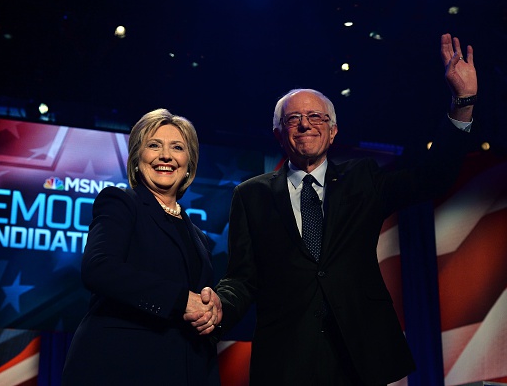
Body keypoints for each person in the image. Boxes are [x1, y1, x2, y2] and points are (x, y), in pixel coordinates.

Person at [190, 33, 477, 385]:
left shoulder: (363, 179)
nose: (305, 124)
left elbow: (434, 178)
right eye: (293, 119)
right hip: (286, 359)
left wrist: (463, 101)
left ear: (333, 131)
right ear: (279, 133)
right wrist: (218, 307)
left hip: (360, 354)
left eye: (315, 117)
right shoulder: (251, 196)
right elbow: (241, 278)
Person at [62, 109, 221, 386]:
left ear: (189, 164)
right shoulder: (122, 202)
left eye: (177, 148)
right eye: (154, 145)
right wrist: (181, 299)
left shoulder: (198, 237)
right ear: (137, 158)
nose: (166, 156)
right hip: (120, 367)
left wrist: (211, 311)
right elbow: (98, 268)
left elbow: (197, 305)